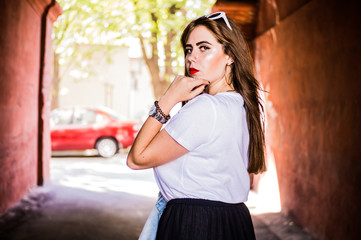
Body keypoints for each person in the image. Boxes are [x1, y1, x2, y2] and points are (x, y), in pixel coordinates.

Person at [127, 11, 266, 240]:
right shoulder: (242, 106)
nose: (192, 57)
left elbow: (136, 158)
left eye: (204, 48)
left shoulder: (206, 107)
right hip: (235, 221)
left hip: (194, 223)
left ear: (230, 55)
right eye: (189, 49)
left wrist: (167, 100)